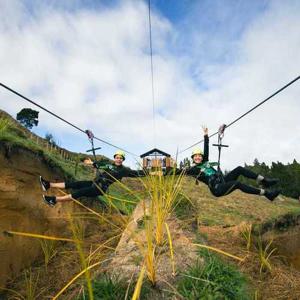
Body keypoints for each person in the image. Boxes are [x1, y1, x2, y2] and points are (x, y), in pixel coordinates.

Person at [174, 127, 281, 201]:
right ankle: (267, 194)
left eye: (199, 156)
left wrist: (206, 135)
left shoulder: (205, 162)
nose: (198, 157)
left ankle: (264, 181)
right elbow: (178, 172)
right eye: (195, 156)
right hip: (217, 189)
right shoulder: (193, 170)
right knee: (237, 184)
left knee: (239, 169)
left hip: (222, 180)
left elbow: (206, 149)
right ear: (193, 158)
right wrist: (162, 172)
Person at [40, 150, 145, 207]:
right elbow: (98, 164)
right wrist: (90, 163)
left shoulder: (124, 170)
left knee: (80, 192)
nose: (118, 159)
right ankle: (48, 185)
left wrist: (152, 172)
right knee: (75, 184)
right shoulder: (110, 165)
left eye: (120, 158)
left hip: (99, 189)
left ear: (123, 160)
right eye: (117, 157)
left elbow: (136, 173)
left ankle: (54, 200)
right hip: (94, 183)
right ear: (114, 158)